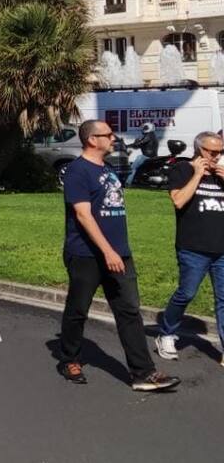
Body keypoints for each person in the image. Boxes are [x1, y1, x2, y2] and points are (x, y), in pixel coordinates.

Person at [57, 120, 179, 391]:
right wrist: (107, 250)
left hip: (119, 254)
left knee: (128, 311)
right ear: (92, 140)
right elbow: (83, 215)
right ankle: (69, 359)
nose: (113, 138)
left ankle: (143, 373)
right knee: (78, 310)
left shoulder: (109, 169)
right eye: (108, 135)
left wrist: (118, 250)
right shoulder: (77, 171)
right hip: (87, 254)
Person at [156, 130, 224, 362]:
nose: (215, 157)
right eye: (211, 152)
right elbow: (178, 200)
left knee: (223, 299)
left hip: (221, 248)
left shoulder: (220, 174)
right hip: (193, 247)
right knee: (187, 293)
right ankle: (166, 333)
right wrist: (197, 174)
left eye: (220, 152)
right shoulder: (182, 169)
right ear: (199, 149)